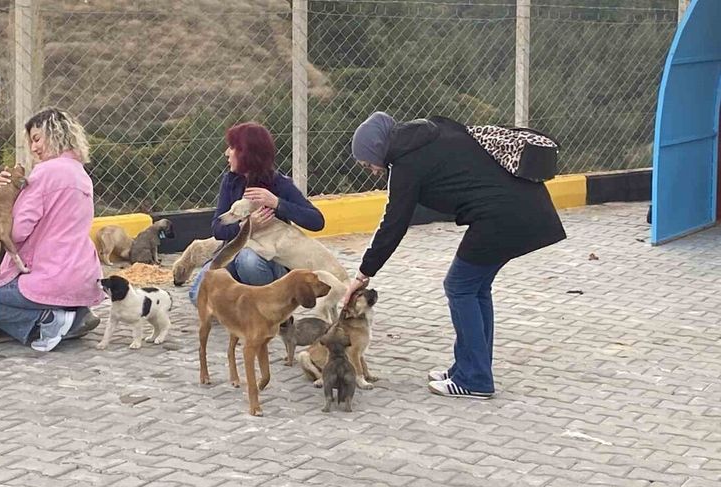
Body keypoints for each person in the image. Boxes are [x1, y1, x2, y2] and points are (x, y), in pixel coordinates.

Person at [342, 112, 566, 399]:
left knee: (459, 286)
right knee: (476, 288)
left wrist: (363, 274)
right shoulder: (431, 133)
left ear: (377, 147)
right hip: (525, 210)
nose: (372, 171)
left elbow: (394, 224)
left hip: (500, 217)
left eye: (367, 164)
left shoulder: (405, 163)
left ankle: (475, 379)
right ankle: (468, 368)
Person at [0, 107, 104, 352]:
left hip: (50, 279)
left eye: (37, 139)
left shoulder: (44, 172)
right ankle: (74, 314)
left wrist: (4, 195)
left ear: (55, 133)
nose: (33, 148)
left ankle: (49, 319)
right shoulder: (81, 173)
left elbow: (16, 232)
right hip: (84, 277)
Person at [188, 121, 325, 305]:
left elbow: (317, 221)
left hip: (268, 261)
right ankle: (244, 303)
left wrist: (277, 203)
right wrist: (247, 227)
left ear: (246, 154)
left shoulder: (279, 183)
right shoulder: (230, 181)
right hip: (232, 253)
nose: (227, 153)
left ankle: (274, 304)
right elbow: (218, 229)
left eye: (232, 148)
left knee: (248, 261)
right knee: (198, 296)